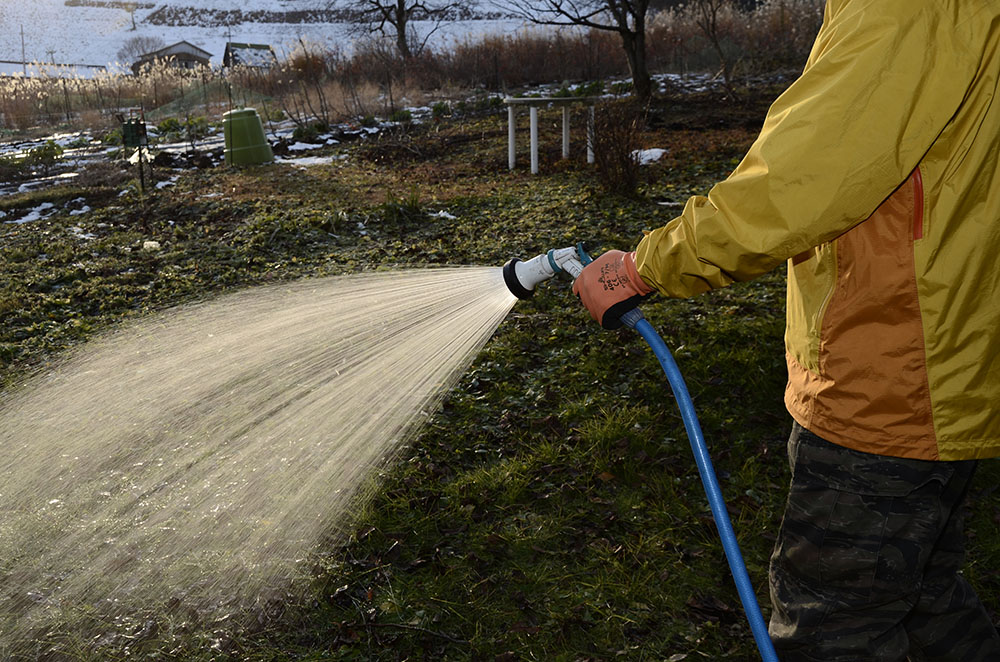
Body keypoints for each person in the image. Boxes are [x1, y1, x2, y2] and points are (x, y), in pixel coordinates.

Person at [572, 0, 1000, 660]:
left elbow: (799, 182)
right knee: (923, 600)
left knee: (832, 627)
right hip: (956, 361)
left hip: (890, 376)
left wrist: (643, 267)